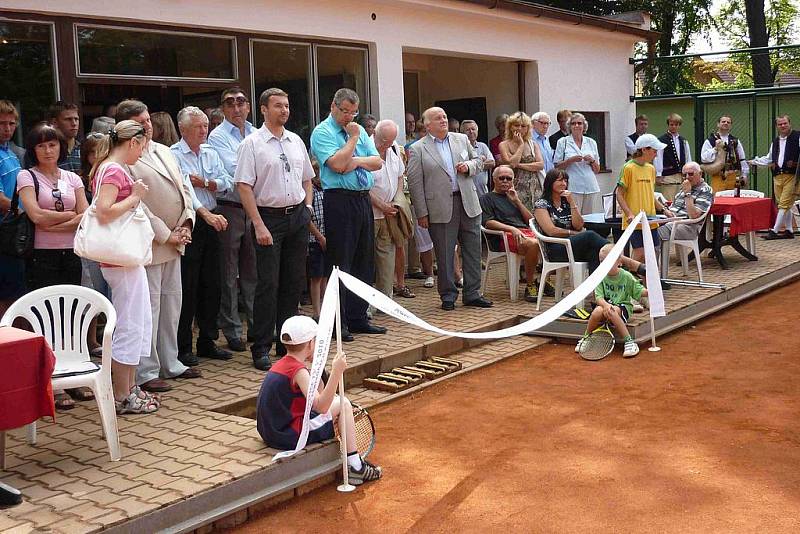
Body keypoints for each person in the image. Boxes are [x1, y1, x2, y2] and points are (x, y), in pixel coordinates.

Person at [116, 99, 201, 392]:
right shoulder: (125, 159)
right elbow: (138, 206)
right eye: (140, 122)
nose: (147, 126)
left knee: (172, 304)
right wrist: (167, 234)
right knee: (149, 308)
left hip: (177, 238)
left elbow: (185, 190)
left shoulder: (165, 151)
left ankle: (171, 361)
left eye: (148, 120)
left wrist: (187, 223)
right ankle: (146, 370)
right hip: (151, 243)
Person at [237, 88, 314, 370]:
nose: (284, 110)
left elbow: (307, 178)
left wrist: (306, 209)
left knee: (293, 283)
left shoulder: (296, 141)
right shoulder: (252, 143)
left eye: (287, 105)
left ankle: (288, 345)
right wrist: (258, 224)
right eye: (278, 106)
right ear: (263, 109)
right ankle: (260, 347)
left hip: (296, 217)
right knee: (268, 284)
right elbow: (244, 186)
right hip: (267, 218)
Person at [255, 315, 382, 484]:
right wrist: (337, 372)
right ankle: (355, 466)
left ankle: (354, 463)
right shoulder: (299, 371)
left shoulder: (284, 364)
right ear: (310, 344)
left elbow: (320, 394)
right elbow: (321, 406)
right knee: (344, 403)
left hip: (271, 432)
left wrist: (318, 364)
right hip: (288, 436)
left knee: (336, 401)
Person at [91, 120, 160, 414]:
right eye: (141, 146)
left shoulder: (110, 168)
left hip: (126, 259)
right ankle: (121, 394)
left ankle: (130, 388)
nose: (142, 153)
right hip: (120, 259)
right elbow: (104, 212)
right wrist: (134, 197)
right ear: (133, 142)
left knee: (139, 322)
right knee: (130, 326)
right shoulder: (113, 169)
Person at [310, 88, 385, 339]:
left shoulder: (360, 129)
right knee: (341, 262)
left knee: (364, 261)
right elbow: (337, 165)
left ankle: (358, 316)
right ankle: (337, 322)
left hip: (362, 199)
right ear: (333, 106)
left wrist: (355, 161)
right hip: (338, 200)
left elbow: (377, 162)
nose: (349, 118)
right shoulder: (323, 132)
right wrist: (352, 141)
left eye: (353, 113)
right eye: (345, 111)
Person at [407, 106, 491, 311]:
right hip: (440, 206)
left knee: (473, 250)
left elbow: (479, 161)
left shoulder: (460, 139)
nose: (443, 120)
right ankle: (448, 295)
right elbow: (416, 183)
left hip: (468, 201)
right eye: (438, 118)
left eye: (444, 116)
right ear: (427, 125)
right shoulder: (418, 148)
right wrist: (421, 213)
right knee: (444, 252)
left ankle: (472, 293)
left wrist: (469, 167)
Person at [171, 106, 232, 366]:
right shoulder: (173, 154)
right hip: (192, 221)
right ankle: (183, 346)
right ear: (183, 129)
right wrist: (205, 212)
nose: (204, 130)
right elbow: (187, 192)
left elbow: (226, 182)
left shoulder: (209, 151)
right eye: (198, 127)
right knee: (189, 284)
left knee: (213, 283)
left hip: (214, 219)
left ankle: (208, 340)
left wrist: (207, 183)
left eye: (206, 126)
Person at [207, 87, 258, 353]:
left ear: (248, 106)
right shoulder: (217, 136)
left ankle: (257, 326)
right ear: (223, 109)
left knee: (253, 271)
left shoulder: (256, 131)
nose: (236, 108)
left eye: (241, 102)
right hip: (230, 207)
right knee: (229, 272)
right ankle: (232, 330)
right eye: (230, 103)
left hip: (257, 209)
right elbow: (235, 170)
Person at [481, 165, 545, 302]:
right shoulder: (486, 198)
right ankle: (530, 284)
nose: (505, 181)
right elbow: (488, 223)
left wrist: (517, 201)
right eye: (501, 178)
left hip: (524, 232)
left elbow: (530, 221)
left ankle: (544, 281)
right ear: (494, 179)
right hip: (503, 237)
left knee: (551, 242)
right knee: (533, 244)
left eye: (508, 178)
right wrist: (511, 229)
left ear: (513, 181)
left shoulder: (513, 197)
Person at [533, 168, 610, 273]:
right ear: (550, 182)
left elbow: (579, 225)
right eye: (560, 180)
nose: (563, 183)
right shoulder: (542, 204)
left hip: (573, 245)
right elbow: (551, 231)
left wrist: (572, 203)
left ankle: (596, 288)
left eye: (565, 181)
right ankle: (620, 256)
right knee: (590, 235)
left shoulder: (566, 202)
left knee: (595, 252)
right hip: (555, 248)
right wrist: (574, 233)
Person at [576, 244, 647, 358]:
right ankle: (586, 338)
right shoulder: (599, 275)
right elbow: (598, 297)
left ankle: (629, 342)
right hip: (606, 305)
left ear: (619, 262)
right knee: (596, 312)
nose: (604, 264)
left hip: (623, 307)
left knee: (611, 311)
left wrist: (651, 291)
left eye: (608, 261)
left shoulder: (626, 276)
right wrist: (605, 305)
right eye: (601, 261)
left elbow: (639, 291)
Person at [78, 132, 109, 358]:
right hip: (89, 243)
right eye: (93, 152)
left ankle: (101, 339)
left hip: (109, 243)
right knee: (90, 291)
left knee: (106, 293)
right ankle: (87, 340)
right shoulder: (79, 179)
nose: (98, 156)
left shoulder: (111, 173)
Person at [616, 133, 668, 265]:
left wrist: (664, 210)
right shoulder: (628, 168)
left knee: (654, 251)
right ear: (644, 149)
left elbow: (650, 194)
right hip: (635, 220)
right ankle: (632, 280)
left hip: (650, 219)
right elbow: (619, 194)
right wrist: (629, 213)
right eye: (654, 151)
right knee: (639, 253)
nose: (656, 154)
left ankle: (650, 280)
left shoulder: (651, 169)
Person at [748, 114, 800, 239]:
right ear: (777, 126)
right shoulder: (775, 141)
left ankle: (774, 231)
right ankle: (789, 230)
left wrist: (796, 163)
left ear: (789, 123)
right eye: (780, 124)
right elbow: (769, 158)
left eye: (785, 123)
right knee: (783, 203)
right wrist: (754, 162)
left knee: (784, 203)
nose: (783, 126)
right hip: (777, 176)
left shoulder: (798, 137)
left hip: (793, 176)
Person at [369, 119, 404, 303]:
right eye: (384, 142)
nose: (387, 146)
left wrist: (396, 199)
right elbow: (361, 187)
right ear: (375, 135)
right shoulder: (364, 149)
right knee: (367, 260)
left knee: (387, 258)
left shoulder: (394, 149)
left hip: (389, 214)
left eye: (390, 142)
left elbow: (399, 176)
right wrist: (381, 205)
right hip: (370, 215)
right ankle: (366, 303)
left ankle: (385, 300)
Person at [0, 100, 25, 317]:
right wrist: (30, 211)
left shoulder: (11, 153)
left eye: (11, 123)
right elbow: (1, 199)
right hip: (4, 234)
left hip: (15, 231)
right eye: (1, 124)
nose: (7, 129)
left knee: (17, 293)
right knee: (6, 296)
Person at [554, 113, 600, 214]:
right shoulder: (563, 142)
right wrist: (570, 160)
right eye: (573, 123)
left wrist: (592, 161)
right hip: (573, 186)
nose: (577, 126)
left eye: (579, 123)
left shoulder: (591, 142)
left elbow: (597, 170)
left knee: (590, 218)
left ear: (584, 126)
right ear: (569, 126)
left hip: (590, 186)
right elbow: (557, 167)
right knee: (574, 216)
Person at [499, 111, 544, 212]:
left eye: (523, 126)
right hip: (516, 188)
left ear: (528, 128)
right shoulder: (504, 145)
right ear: (510, 127)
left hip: (535, 188)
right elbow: (511, 164)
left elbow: (540, 165)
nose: (519, 128)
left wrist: (518, 165)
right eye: (516, 125)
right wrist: (521, 145)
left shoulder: (533, 144)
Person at [660, 162, 713, 241]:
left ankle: (652, 253)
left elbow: (694, 215)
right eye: (684, 175)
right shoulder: (685, 186)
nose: (687, 177)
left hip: (688, 226)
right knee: (647, 227)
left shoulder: (705, 190)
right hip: (671, 220)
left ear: (700, 174)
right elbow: (674, 207)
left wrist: (688, 193)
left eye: (691, 174)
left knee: (655, 232)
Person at [700, 114, 749, 193]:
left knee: (734, 199)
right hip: (718, 175)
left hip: (733, 175)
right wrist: (715, 149)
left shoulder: (735, 141)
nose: (726, 123)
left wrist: (744, 175)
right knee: (718, 199)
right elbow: (704, 158)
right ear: (718, 124)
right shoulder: (710, 141)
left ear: (730, 126)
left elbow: (742, 159)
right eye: (723, 121)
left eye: (728, 122)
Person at [654, 113, 692, 202]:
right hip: (668, 175)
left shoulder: (683, 141)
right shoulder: (661, 140)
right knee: (669, 201)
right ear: (668, 125)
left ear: (679, 126)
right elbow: (658, 157)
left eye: (676, 125)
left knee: (680, 200)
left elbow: (687, 157)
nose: (674, 127)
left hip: (681, 176)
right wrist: (658, 174)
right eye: (671, 124)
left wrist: (688, 173)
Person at [308, 160, 327, 320]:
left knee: (326, 275)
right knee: (316, 276)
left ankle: (326, 308)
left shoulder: (327, 189)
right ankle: (317, 312)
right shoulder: (311, 192)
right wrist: (319, 237)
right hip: (314, 240)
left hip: (328, 238)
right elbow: (308, 219)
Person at [460, 119, 494, 196]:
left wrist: (471, 167)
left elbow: (492, 163)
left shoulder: (482, 146)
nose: (471, 132)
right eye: (467, 130)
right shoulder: (459, 148)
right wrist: (480, 161)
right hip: (467, 194)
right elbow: (461, 168)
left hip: (483, 193)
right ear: (462, 133)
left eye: (473, 129)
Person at [48, 101, 81, 174]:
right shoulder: (48, 151)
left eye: (76, 119)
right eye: (68, 119)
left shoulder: (84, 149)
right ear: (55, 122)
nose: (74, 123)